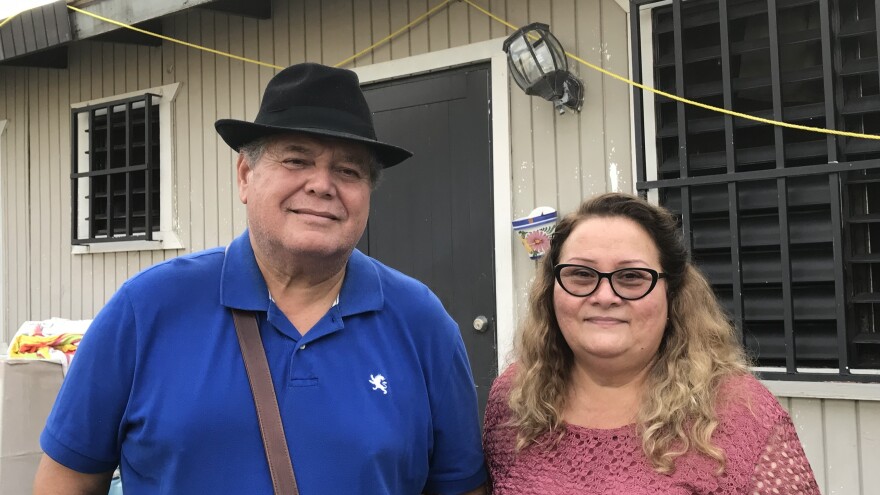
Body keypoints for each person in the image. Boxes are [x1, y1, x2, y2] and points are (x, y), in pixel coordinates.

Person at [34, 63, 487, 495]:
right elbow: (67, 481)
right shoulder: (147, 308)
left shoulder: (421, 322)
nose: (321, 184)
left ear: (367, 194)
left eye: (348, 170)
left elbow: (461, 487)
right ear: (246, 176)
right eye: (296, 160)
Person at [483, 193, 820, 494]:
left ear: (672, 295)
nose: (604, 296)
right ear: (551, 290)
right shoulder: (514, 398)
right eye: (581, 274)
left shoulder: (742, 414)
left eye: (631, 277)